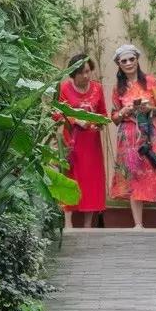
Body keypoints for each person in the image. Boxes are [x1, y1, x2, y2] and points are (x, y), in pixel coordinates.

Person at [110, 43, 156, 230]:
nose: (129, 63)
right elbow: (114, 117)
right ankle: (138, 224)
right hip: (128, 137)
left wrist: (150, 108)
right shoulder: (118, 89)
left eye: (132, 59)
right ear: (119, 64)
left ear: (137, 60)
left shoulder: (150, 82)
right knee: (133, 177)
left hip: (149, 135)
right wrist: (124, 111)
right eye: (124, 60)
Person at [56, 53, 107, 229]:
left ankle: (88, 226)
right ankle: (68, 223)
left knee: (91, 180)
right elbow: (57, 113)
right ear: (73, 73)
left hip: (91, 143)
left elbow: (103, 114)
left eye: (88, 71)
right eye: (81, 72)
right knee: (70, 179)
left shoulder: (98, 88)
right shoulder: (63, 88)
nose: (86, 76)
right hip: (72, 143)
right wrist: (75, 120)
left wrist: (99, 124)